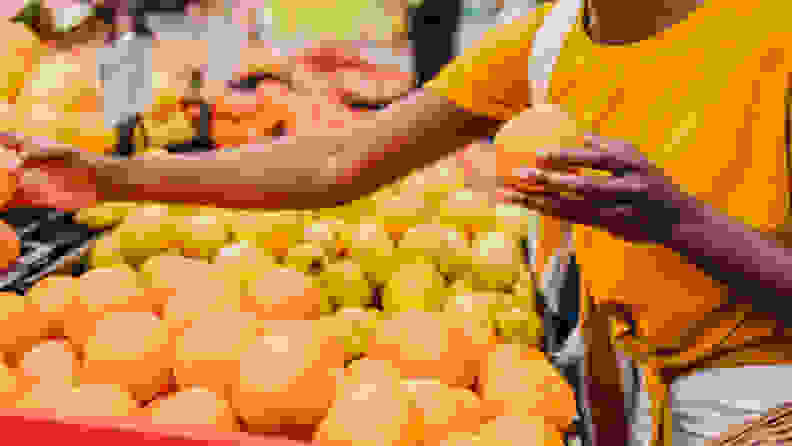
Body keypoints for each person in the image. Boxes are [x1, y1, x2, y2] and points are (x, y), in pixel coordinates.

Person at [11, 0, 792, 445]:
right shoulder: (548, 43)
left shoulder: (772, 32)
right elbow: (335, 165)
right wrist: (112, 176)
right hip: (627, 405)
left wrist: (677, 222)